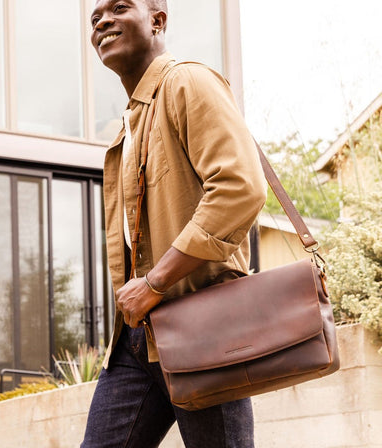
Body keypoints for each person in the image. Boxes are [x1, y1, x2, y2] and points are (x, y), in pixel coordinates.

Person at [82, 0, 267, 447]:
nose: (102, 21)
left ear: (158, 20)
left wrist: (156, 282)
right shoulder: (128, 126)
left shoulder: (188, 81)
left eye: (119, 8)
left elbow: (241, 188)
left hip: (202, 325)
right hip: (137, 339)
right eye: (95, 18)